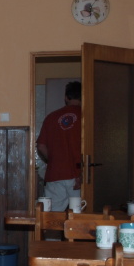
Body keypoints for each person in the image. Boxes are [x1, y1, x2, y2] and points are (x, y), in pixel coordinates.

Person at [36, 80, 82, 211]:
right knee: (79, 215)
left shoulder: (51, 117)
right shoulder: (87, 117)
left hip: (55, 173)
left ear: (66, 97)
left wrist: (54, 160)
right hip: (78, 174)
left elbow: (41, 146)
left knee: (53, 216)